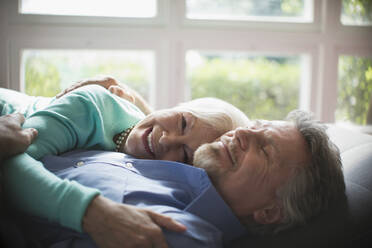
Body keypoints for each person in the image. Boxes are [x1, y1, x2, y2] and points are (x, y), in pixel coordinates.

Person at [13, 110, 345, 248]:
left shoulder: (179, 236)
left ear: (270, 211)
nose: (242, 132)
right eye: (254, 126)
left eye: (265, 148)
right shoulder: (163, 161)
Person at [0, 79, 250, 248]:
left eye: (184, 154)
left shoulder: (145, 164)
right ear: (176, 106)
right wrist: (89, 211)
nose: (166, 139)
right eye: (183, 122)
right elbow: (9, 164)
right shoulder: (94, 105)